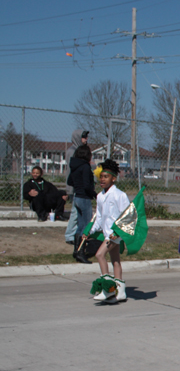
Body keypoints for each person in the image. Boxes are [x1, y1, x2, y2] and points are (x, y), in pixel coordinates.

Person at [85, 160, 130, 304]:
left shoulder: (119, 195)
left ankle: (108, 289)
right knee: (115, 260)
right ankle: (120, 292)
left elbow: (127, 215)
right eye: (101, 177)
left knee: (99, 254)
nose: (102, 179)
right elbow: (99, 217)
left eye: (106, 177)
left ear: (114, 178)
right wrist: (90, 231)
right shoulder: (100, 196)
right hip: (107, 234)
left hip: (115, 234)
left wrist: (118, 232)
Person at [68, 144, 96, 264]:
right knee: (86, 226)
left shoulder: (75, 166)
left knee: (80, 225)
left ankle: (76, 250)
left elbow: (70, 181)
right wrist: (94, 194)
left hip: (77, 197)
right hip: (84, 198)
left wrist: (77, 185)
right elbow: (86, 185)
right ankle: (81, 252)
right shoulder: (85, 167)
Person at [64, 130, 89, 244]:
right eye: (83, 137)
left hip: (81, 187)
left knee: (79, 213)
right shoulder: (72, 151)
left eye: (86, 137)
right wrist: (70, 188)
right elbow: (71, 171)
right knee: (75, 212)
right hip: (76, 187)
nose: (86, 139)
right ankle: (70, 235)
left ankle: (76, 234)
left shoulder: (82, 150)